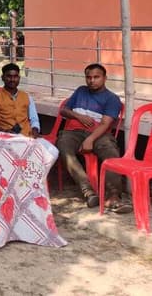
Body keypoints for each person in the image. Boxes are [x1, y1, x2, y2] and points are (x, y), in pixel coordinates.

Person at [56, 63, 130, 212]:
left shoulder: (112, 98)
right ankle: (88, 191)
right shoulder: (80, 91)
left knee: (111, 153)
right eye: (88, 77)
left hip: (99, 134)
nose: (92, 80)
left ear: (105, 78)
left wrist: (90, 139)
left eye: (96, 77)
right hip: (74, 132)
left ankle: (113, 197)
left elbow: (105, 123)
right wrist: (78, 116)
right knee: (62, 145)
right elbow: (63, 110)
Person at [0, 63, 40, 137]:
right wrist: (1, 130)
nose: (12, 80)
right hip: (4, 136)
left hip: (27, 135)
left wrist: (35, 129)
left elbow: (34, 119)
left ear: (19, 78)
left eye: (15, 76)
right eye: (9, 76)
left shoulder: (27, 97)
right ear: (2, 77)